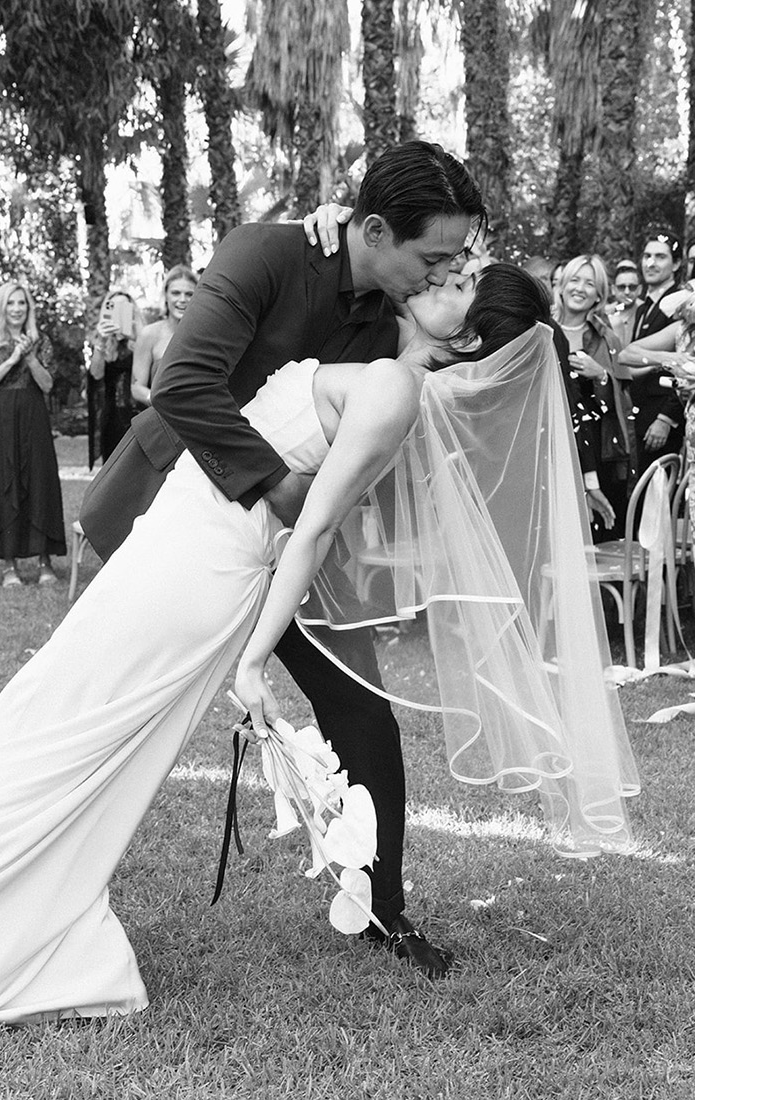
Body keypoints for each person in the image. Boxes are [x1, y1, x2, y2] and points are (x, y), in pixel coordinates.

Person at [0, 259, 637, 1029]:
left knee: (80, 728)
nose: (446, 271)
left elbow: (312, 526)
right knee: (44, 716)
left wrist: (255, 654)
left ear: (464, 341)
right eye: (449, 262)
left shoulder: (396, 387)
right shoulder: (349, 295)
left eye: (461, 279)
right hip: (186, 523)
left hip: (211, 557)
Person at [79, 141, 486, 978]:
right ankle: (56, 887)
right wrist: (281, 491)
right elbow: (187, 381)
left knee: (362, 710)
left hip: (294, 551)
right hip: (173, 513)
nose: (446, 272)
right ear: (372, 227)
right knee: (117, 708)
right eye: (434, 257)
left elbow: (483, 317)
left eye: (455, 260)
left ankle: (384, 908)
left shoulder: (400, 310)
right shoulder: (268, 252)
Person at [0, 280, 66, 587]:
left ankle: (44, 560)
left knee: (38, 481)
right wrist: (12, 359)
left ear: (29, 308)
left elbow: (48, 385)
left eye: (22, 303)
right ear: (1, 307)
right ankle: (8, 563)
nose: (16, 309)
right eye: (11, 303)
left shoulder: (41, 341)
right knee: (1, 483)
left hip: (32, 415)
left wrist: (29, 358)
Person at [550, 254, 635, 537]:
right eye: (574, 280)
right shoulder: (540, 330)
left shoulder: (606, 338)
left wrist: (600, 375)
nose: (580, 288)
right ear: (561, 285)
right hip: (550, 443)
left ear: (598, 295)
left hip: (595, 449)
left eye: (589, 284)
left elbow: (623, 404)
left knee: (594, 533)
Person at [617, 232, 693, 472]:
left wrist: (666, 418)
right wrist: (660, 360)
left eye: (660, 257)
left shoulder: (684, 304)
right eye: (647, 256)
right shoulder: (642, 308)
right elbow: (630, 362)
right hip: (639, 412)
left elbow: (689, 360)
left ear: (677, 263)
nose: (650, 263)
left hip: (668, 417)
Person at [85, 290, 143, 468]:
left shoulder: (145, 337)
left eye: (124, 307)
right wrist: (101, 342)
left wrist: (135, 335)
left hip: (140, 416)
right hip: (113, 420)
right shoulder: (103, 342)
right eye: (114, 307)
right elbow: (96, 374)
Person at [131, 265, 200, 412]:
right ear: (166, 296)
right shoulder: (149, 334)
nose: (182, 299)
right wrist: (155, 399)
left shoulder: (206, 333)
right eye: (175, 293)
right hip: (159, 417)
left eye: (189, 294)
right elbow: (136, 387)